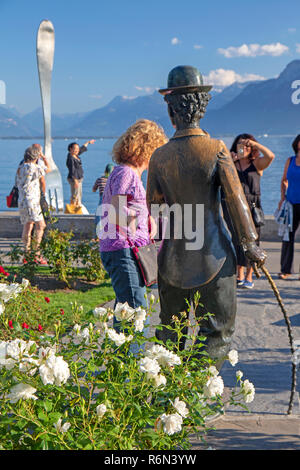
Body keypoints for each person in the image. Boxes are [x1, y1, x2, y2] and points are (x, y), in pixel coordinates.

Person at [146, 65, 266, 370]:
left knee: (170, 333)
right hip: (214, 258)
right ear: (202, 107)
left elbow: (155, 209)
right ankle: (196, 395)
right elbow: (236, 201)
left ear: (171, 108)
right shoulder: (215, 149)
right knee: (217, 331)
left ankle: (167, 396)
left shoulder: (159, 156)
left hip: (172, 258)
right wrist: (250, 244)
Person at [99, 119, 167, 316]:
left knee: (126, 311)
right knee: (136, 313)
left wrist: (148, 219)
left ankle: (122, 347)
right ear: (147, 149)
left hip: (122, 249)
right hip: (124, 250)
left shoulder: (125, 172)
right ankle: (132, 348)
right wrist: (142, 223)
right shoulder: (126, 173)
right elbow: (117, 209)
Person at [223, 134, 275, 289]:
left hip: (252, 208)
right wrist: (231, 161)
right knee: (237, 240)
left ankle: (249, 275)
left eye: (247, 146)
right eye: (240, 145)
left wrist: (255, 144)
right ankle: (239, 273)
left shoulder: (257, 164)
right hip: (235, 206)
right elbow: (220, 177)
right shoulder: (231, 164)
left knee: (253, 241)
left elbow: (270, 156)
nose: (243, 148)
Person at [16, 145, 51, 263]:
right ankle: (36, 254)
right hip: (32, 201)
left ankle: (26, 253)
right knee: (41, 226)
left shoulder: (20, 168)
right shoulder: (34, 167)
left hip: (22, 201)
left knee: (28, 225)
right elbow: (48, 170)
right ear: (36, 157)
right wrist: (44, 158)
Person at [277, 134, 300, 279]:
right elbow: (284, 180)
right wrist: (282, 198)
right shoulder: (290, 161)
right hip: (291, 204)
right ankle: (285, 270)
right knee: (288, 238)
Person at [66, 139, 95, 206]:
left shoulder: (75, 155)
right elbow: (72, 169)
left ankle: (77, 206)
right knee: (75, 194)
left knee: (78, 194)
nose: (77, 150)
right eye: (75, 149)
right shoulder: (70, 158)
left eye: (77, 149)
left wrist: (88, 142)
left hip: (78, 179)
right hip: (74, 179)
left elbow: (81, 149)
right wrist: (75, 180)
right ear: (70, 149)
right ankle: (74, 208)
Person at [93, 163, 114, 229]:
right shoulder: (112, 180)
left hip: (102, 197)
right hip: (111, 198)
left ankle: (97, 235)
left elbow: (94, 189)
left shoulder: (100, 179)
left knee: (99, 216)